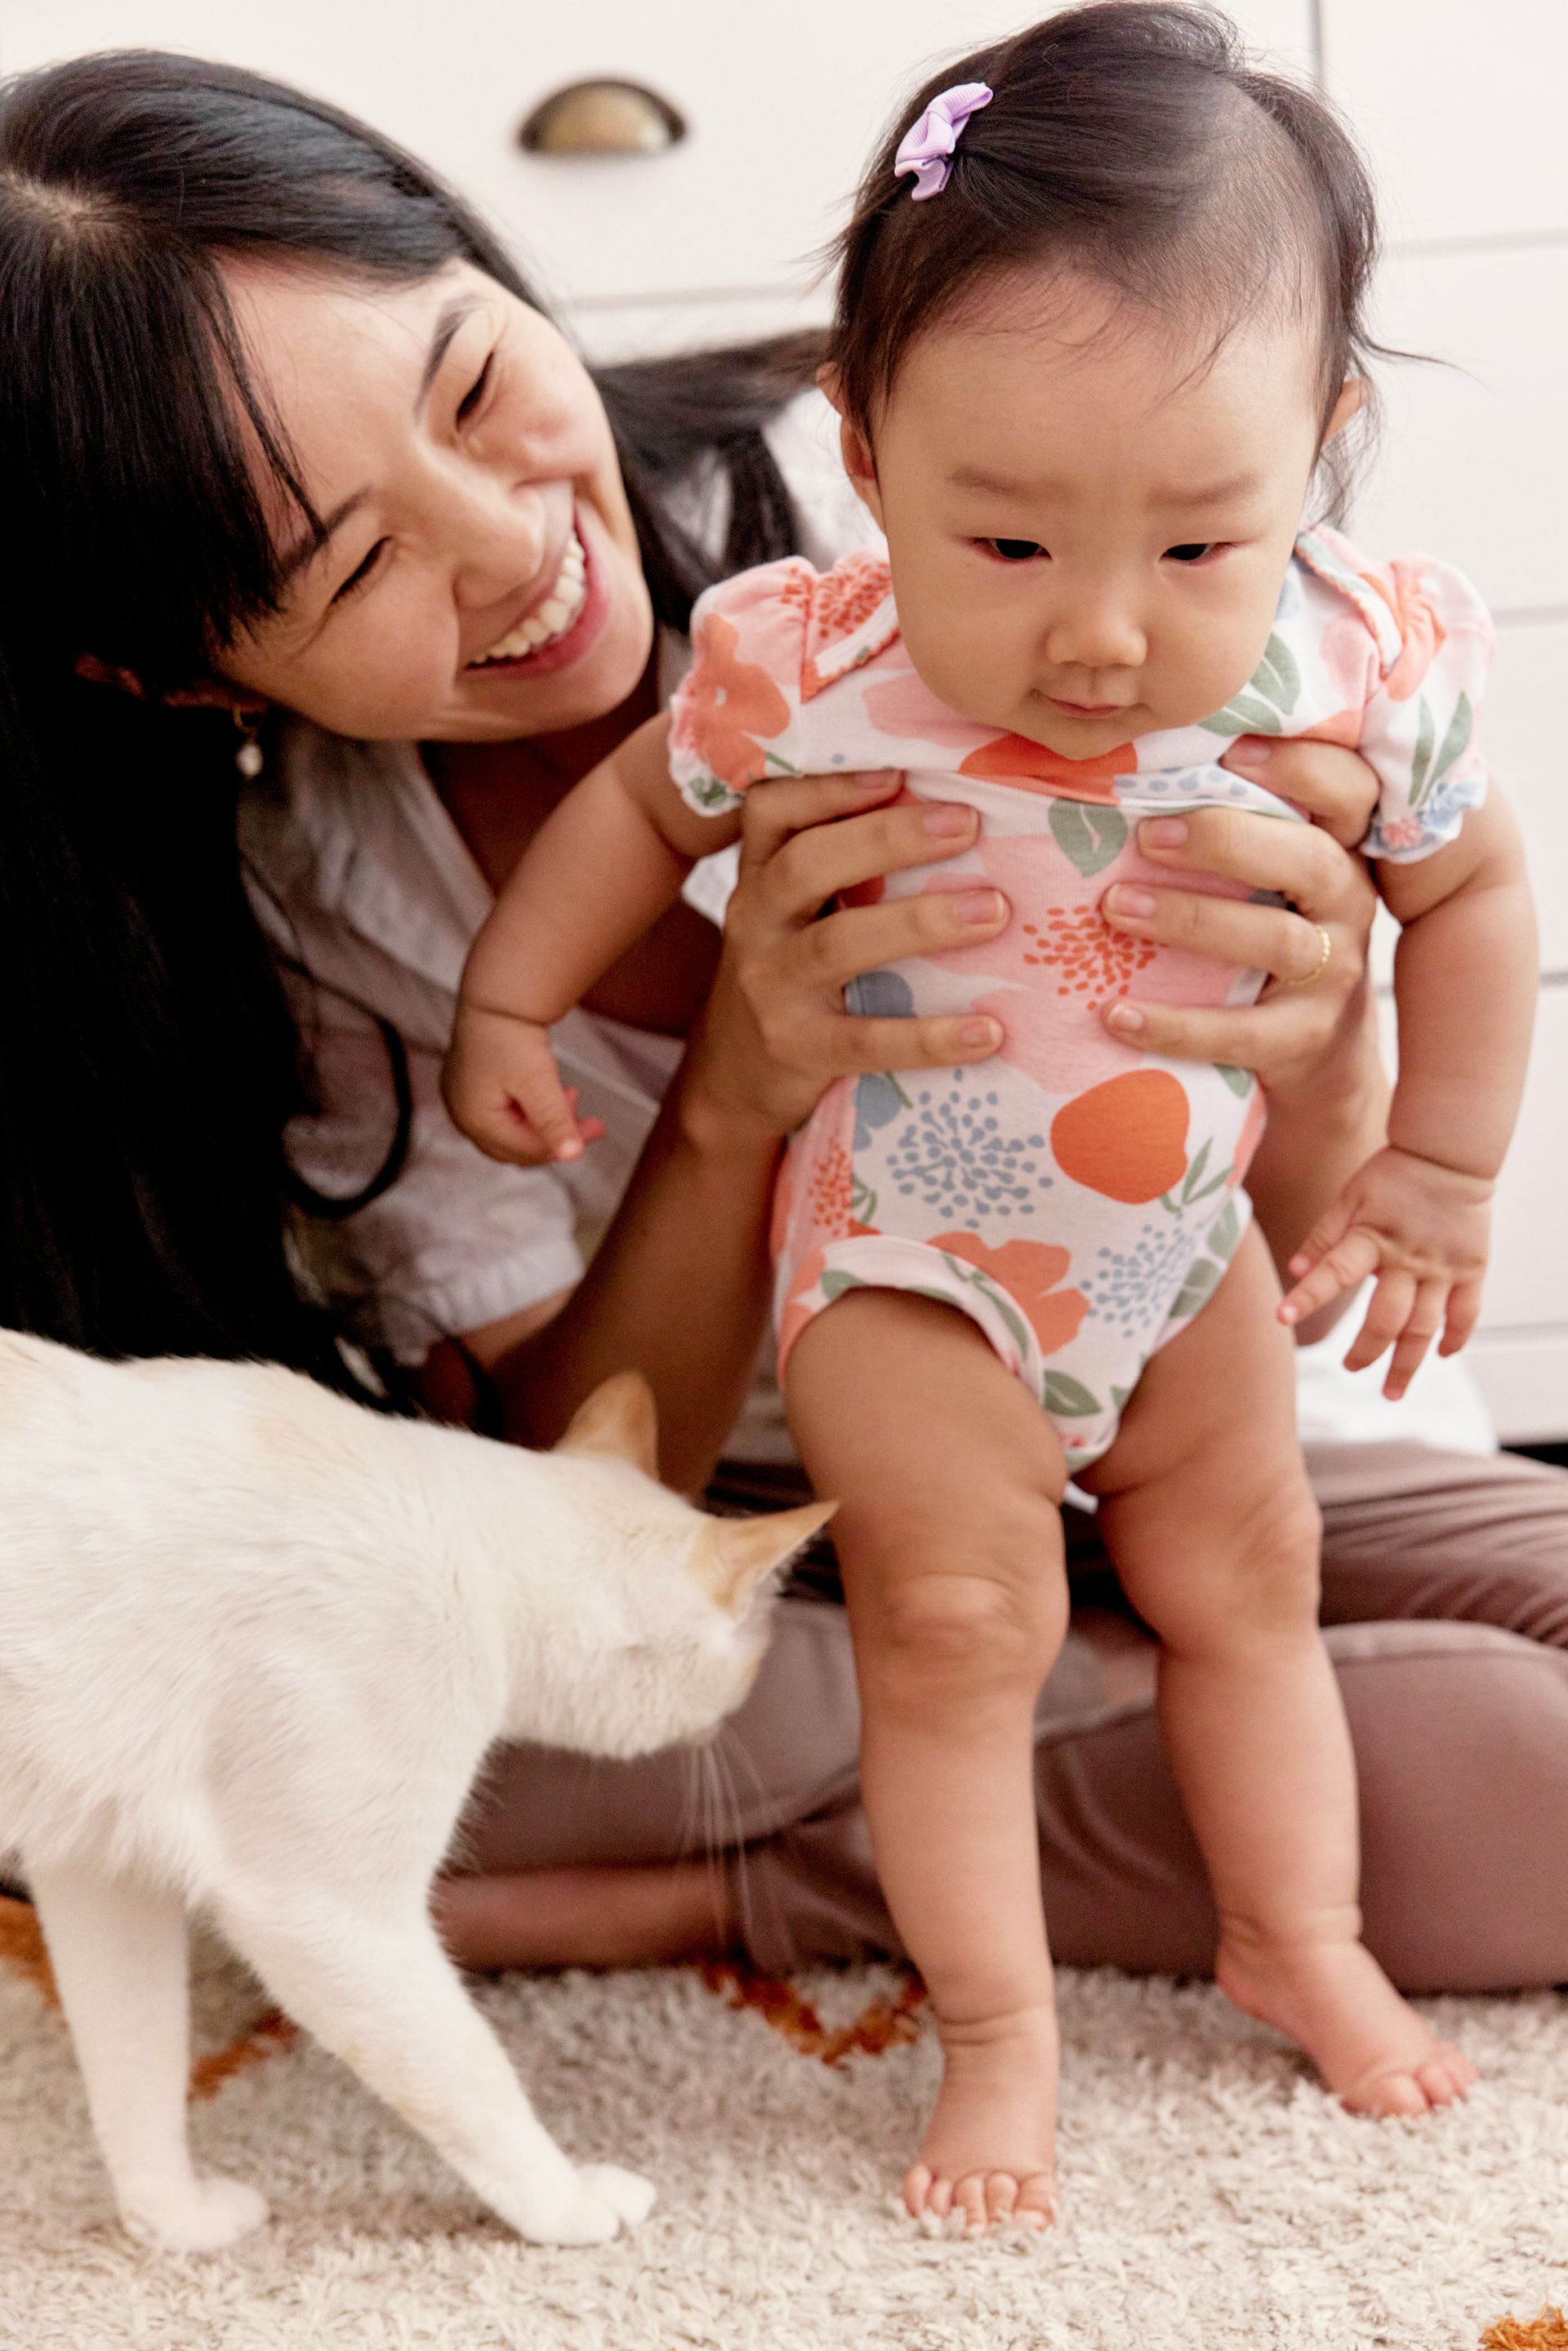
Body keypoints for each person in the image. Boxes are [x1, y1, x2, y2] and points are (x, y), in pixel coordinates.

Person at [2, 37, 1566, 2226]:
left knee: (1329, 1609)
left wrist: (1354, 1075)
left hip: (1204, 1334)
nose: (512, 550)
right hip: (814, 1477)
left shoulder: (1042, 460)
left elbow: (1376, 1065)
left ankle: (865, 1817)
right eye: (353, 560)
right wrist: (719, 1094)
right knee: (1461, 1765)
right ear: (180, 676)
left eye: (470, 390)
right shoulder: (390, 882)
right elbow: (576, 1490)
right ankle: (944, 1864)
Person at [435, 4, 1532, 2224]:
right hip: (906, 1261)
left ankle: (1291, 1936)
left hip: (1186, 1251)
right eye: (1010, 547)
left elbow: (1479, 887)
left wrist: (1438, 1160)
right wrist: (512, 992)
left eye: (1200, 544)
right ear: (864, 449)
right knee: (961, 1624)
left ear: (1321, 448)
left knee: (1255, 1580)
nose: (1107, 636)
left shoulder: (1366, 655)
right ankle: (999, 2033)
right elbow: (644, 812)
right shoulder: (802, 654)